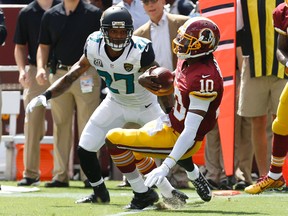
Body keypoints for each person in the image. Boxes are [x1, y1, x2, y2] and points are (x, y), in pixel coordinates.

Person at [26, 6, 188, 208]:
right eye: (113, 31)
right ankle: (102, 193)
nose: (119, 36)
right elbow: (71, 76)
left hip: (145, 104)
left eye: (123, 32)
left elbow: (160, 84)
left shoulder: (141, 50)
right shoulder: (94, 45)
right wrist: (46, 94)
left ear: (130, 31)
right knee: (85, 148)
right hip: (116, 102)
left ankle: (177, 187)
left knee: (175, 145)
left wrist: (169, 113)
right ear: (104, 31)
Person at [105, 16, 222, 208]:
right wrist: (160, 80)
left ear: (203, 45)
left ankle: (144, 195)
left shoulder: (204, 79)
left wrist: (165, 167)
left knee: (113, 140)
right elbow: (180, 80)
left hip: (182, 136)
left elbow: (190, 131)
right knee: (136, 146)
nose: (181, 43)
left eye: (188, 41)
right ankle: (182, 185)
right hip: (171, 122)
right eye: (183, 38)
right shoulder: (193, 59)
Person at [117, 0, 190, 189]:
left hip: (179, 86)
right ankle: (148, 175)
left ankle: (180, 176)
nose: (150, 5)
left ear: (163, 1)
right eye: (146, 2)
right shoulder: (138, 34)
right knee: (151, 132)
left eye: (154, 0)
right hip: (151, 91)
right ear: (142, 6)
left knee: (179, 132)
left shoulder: (183, 22)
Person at [36, 0, 102, 187]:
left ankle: (90, 176)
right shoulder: (50, 15)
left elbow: (101, 44)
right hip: (59, 74)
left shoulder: (94, 14)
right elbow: (43, 45)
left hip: (86, 73)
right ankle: (60, 175)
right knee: (60, 124)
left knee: (89, 125)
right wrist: (41, 67)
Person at [13, 0, 61, 187]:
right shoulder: (26, 12)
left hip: (60, 70)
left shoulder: (64, 7)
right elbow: (19, 46)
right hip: (34, 70)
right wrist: (21, 71)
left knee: (62, 123)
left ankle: (61, 174)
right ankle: (30, 173)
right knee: (32, 123)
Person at [237, 0, 286, 179]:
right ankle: (264, 174)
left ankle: (279, 173)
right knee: (257, 120)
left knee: (281, 122)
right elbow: (235, 32)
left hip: (284, 67)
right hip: (253, 64)